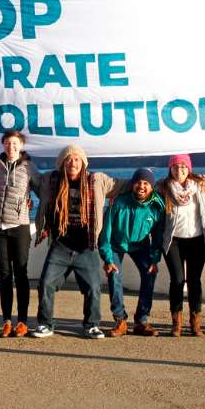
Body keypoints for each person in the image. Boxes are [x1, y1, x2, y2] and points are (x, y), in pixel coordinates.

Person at [32, 145, 126, 339]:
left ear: (83, 163)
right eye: (68, 159)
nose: (73, 163)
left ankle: (91, 325)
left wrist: (152, 181)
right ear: (62, 163)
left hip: (87, 246)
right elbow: (28, 178)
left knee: (93, 288)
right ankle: (45, 324)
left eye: (77, 159)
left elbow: (126, 185)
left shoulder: (97, 180)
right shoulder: (51, 180)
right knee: (45, 284)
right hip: (61, 244)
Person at [99, 168, 165, 337]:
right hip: (116, 245)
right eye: (138, 182)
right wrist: (107, 259)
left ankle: (141, 321)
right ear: (132, 184)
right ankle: (120, 320)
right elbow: (105, 233)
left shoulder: (157, 208)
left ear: (151, 186)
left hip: (141, 246)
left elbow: (157, 238)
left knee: (149, 273)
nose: (141, 186)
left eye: (146, 183)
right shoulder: (118, 203)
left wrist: (154, 259)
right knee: (114, 274)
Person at [0, 130, 41, 338]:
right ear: (3, 145)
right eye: (8, 143)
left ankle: (22, 321)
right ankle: (7, 320)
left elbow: (41, 191)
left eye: (15, 143)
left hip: (19, 226)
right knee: (4, 275)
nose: (11, 147)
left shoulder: (29, 167)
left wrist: (43, 216)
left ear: (21, 145)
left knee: (20, 273)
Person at [158, 154, 205, 337]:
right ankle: (176, 322)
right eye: (175, 167)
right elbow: (143, 188)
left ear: (189, 168)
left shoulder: (201, 184)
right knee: (178, 280)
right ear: (170, 169)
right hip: (174, 241)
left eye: (183, 167)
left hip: (197, 239)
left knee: (194, 281)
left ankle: (195, 321)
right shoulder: (163, 187)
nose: (179, 170)